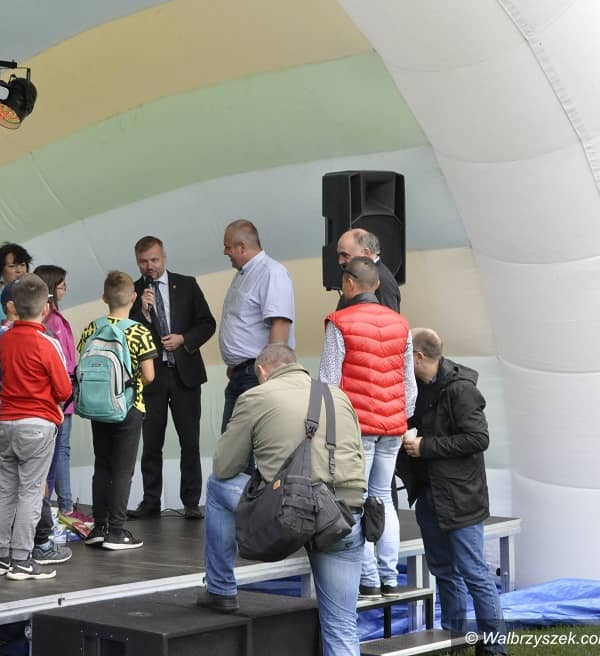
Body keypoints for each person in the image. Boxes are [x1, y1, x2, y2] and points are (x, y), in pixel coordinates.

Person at [200, 344, 366, 656]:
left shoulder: (256, 396)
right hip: (344, 518)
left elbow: (224, 467)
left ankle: (221, 589)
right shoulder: (338, 396)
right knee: (342, 625)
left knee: (217, 486)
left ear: (262, 372)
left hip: (287, 515)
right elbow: (357, 458)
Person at [398, 328, 507, 654]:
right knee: (445, 572)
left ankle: (494, 649)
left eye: (405, 355)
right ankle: (453, 642)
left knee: (474, 573)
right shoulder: (416, 389)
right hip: (430, 495)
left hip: (461, 499)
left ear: (419, 356)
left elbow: (478, 438)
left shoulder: (461, 390)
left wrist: (426, 446)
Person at [319, 255, 415, 599]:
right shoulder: (401, 324)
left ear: (349, 283)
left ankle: (369, 579)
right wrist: (400, 419)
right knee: (383, 498)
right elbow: (409, 385)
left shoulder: (339, 322)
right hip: (392, 427)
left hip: (356, 429)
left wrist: (328, 430)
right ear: (376, 285)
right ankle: (390, 578)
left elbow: (329, 382)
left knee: (355, 501)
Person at [0, 274, 72, 581]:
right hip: (37, 424)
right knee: (32, 493)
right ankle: (22, 560)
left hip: (7, 423)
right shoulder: (48, 343)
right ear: (45, 308)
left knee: (6, 491)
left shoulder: (3, 339)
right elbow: (64, 389)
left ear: (15, 306)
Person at [128, 236, 216, 520]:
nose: (149, 266)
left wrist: (183, 339)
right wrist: (142, 312)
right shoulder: (133, 291)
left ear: (164, 257)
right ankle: (150, 501)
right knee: (151, 442)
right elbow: (128, 332)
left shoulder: (186, 284)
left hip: (184, 375)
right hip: (151, 377)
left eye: (154, 260)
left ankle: (191, 501)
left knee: (189, 440)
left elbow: (207, 323)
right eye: (143, 262)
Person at [79, 271, 156, 550]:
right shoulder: (139, 331)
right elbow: (149, 376)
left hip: (98, 407)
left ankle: (98, 527)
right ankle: (117, 530)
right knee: (123, 470)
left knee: (102, 465)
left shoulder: (92, 328)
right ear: (134, 297)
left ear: (104, 298)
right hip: (129, 407)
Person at [218, 219, 294, 432]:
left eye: (228, 247)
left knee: (251, 445)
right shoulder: (244, 273)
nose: (225, 252)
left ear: (242, 247)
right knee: (232, 445)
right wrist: (235, 364)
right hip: (241, 374)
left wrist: (270, 376)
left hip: (259, 376)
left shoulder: (271, 272)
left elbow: (280, 324)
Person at [32, 264, 89, 525]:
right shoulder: (53, 321)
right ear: (52, 288)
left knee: (56, 451)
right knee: (59, 451)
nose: (66, 289)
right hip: (60, 395)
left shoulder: (47, 319)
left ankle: (54, 505)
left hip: (58, 393)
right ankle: (64, 506)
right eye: (62, 284)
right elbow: (63, 361)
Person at [335, 228, 400, 312]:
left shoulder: (383, 282)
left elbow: (387, 318)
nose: (340, 261)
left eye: (345, 255)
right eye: (339, 255)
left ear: (366, 253)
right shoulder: (365, 275)